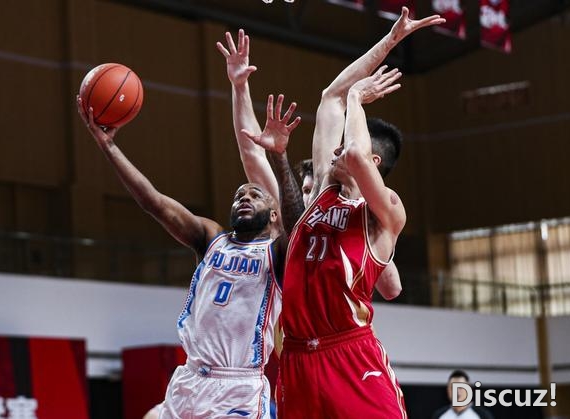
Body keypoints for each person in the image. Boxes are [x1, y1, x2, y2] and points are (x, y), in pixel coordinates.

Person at [247, 7, 445, 418]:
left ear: (374, 163)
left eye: (344, 146)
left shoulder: (384, 212)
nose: (333, 149)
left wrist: (359, 98)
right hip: (298, 359)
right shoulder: (323, 185)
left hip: (350, 355)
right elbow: (330, 97)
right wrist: (391, 41)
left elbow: (354, 150)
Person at [77, 99, 287, 418]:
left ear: (274, 215)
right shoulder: (211, 237)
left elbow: (303, 225)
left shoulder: (277, 252)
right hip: (190, 379)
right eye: (238, 196)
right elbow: (154, 203)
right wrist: (108, 146)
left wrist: (280, 158)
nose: (244, 198)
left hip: (238, 386)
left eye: (254, 196)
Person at [217, 29, 403, 302]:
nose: (306, 196)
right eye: (303, 190)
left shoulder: (370, 217)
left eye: (308, 189)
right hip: (288, 336)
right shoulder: (292, 214)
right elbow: (253, 154)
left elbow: (392, 289)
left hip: (342, 333)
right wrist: (240, 87)